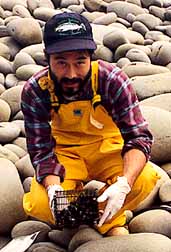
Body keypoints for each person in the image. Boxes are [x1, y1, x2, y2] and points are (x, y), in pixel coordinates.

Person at [21, 12, 161, 236]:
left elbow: (139, 138)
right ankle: (85, 209)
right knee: (39, 203)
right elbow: (41, 152)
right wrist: (54, 189)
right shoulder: (36, 90)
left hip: (107, 148)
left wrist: (124, 184)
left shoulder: (112, 81)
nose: (72, 73)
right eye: (61, 63)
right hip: (65, 154)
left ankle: (105, 215)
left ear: (91, 57)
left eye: (80, 62)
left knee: (144, 179)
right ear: (47, 58)